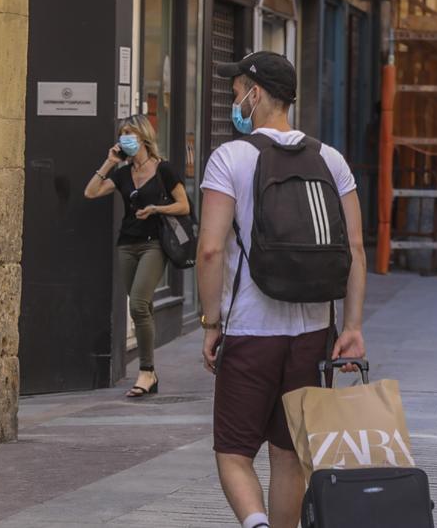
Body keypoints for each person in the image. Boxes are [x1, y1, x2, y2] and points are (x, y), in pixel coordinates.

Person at [196, 51, 367, 528]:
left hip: (250, 329)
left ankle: (255, 524)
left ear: (256, 93)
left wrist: (211, 322)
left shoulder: (230, 157)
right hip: (313, 332)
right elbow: (354, 246)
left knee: (233, 452)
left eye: (237, 94)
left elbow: (210, 250)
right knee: (290, 454)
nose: (235, 103)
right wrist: (350, 326)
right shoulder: (330, 159)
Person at [84, 115, 190, 398]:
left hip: (154, 243)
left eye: (129, 133)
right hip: (127, 245)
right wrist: (109, 161)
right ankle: (151, 375)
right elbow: (90, 192)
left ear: (143, 137)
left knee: (140, 305)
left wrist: (156, 209)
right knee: (141, 306)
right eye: (122, 135)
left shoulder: (164, 170)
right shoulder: (121, 174)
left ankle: (146, 370)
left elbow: (183, 206)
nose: (125, 139)